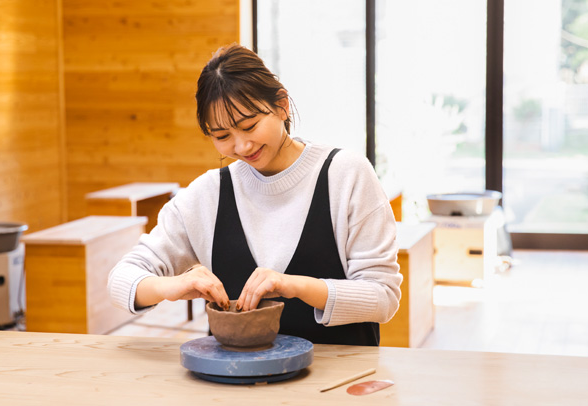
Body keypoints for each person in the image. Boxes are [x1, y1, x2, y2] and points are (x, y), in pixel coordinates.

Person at [107, 43, 402, 346]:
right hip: (234, 383)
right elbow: (120, 280)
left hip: (340, 381)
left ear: (282, 106)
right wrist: (171, 285)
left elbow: (384, 297)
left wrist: (295, 286)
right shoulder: (208, 194)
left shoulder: (346, 175)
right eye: (222, 137)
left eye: (250, 126)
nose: (242, 147)